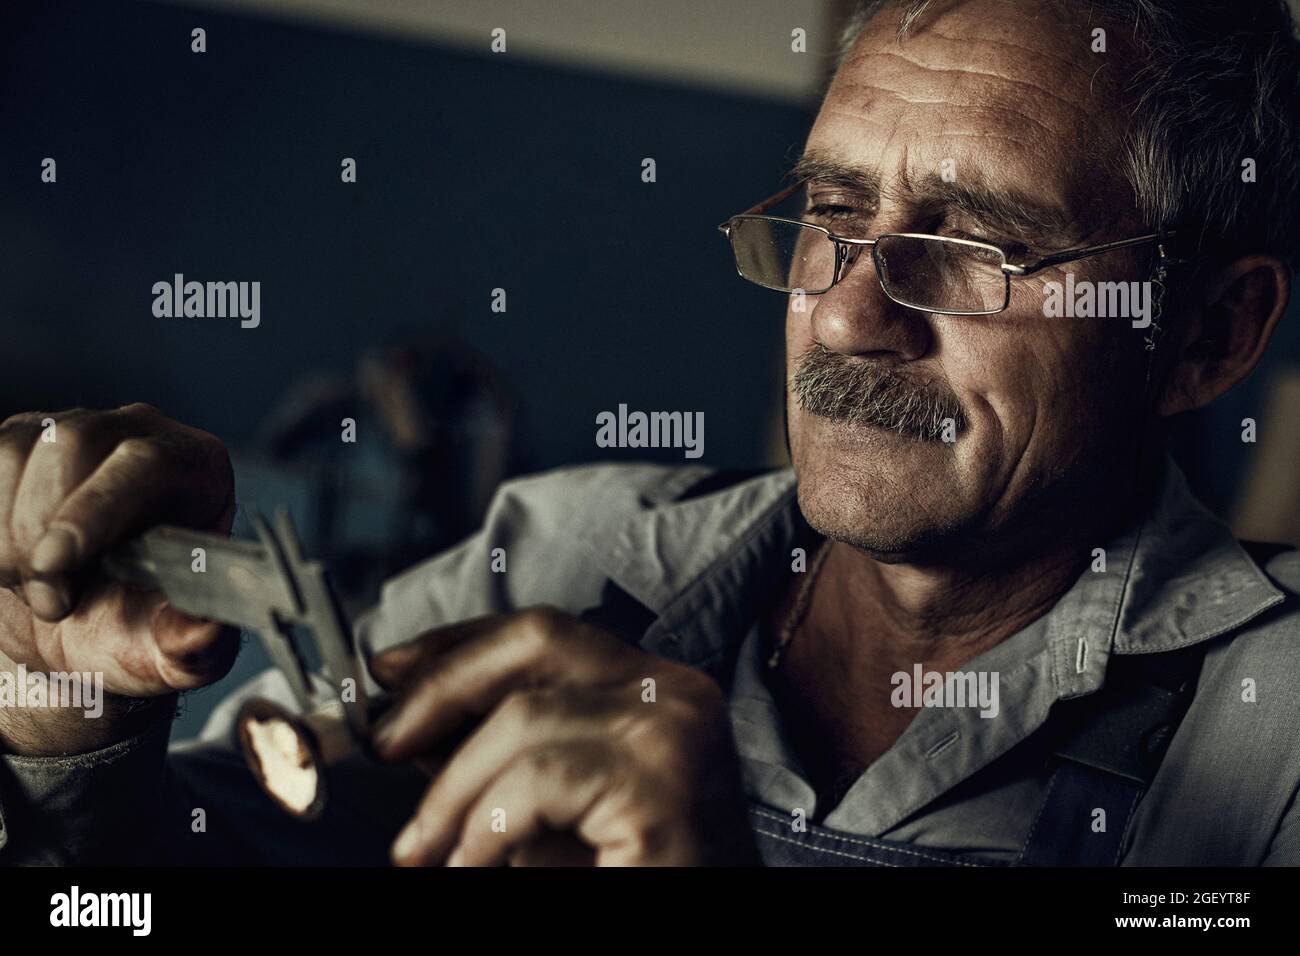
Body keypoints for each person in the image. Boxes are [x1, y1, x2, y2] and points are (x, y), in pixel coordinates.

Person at [2, 0, 1298, 866]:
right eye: (833, 212)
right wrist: (68, 737)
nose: (844, 318)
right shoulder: (565, 549)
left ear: (1210, 337)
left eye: (983, 245)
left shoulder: (1274, 736)